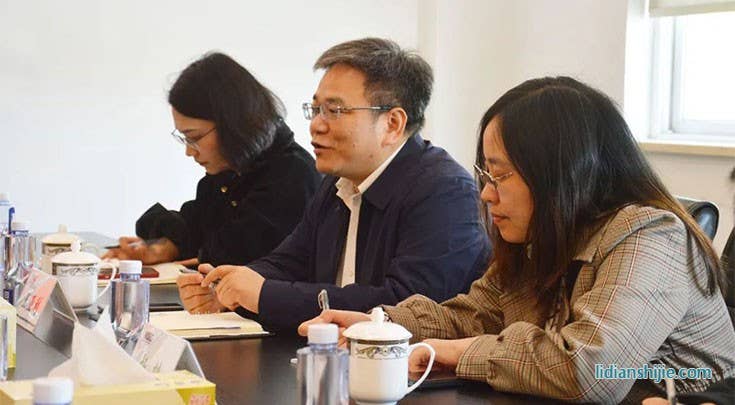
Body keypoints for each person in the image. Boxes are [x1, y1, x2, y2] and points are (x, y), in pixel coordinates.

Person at [299, 77, 735, 404]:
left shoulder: (652, 237)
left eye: (501, 175)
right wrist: (380, 325)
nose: (486, 194)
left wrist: (460, 353)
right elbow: (472, 316)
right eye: (485, 174)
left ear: (560, 176)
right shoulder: (542, 237)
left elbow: (589, 370)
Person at [177, 38, 491, 332]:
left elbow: (402, 306)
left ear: (392, 124)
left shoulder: (445, 192)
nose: (316, 124)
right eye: (315, 109)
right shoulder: (336, 184)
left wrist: (262, 295)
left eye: (335, 111)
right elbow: (290, 262)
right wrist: (230, 286)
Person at [104, 52, 320, 267]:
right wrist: (161, 248)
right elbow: (196, 227)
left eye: (195, 138)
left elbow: (234, 254)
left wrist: (186, 252)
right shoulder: (232, 172)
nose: (189, 151)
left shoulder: (292, 177)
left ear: (233, 125)